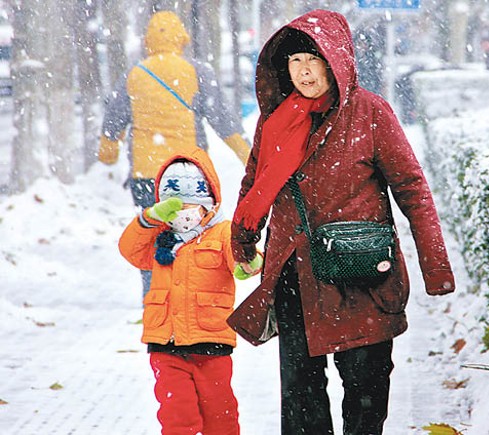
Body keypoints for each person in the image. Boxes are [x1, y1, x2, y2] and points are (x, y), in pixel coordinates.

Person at [228, 9, 456, 435]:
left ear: (337, 60)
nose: (304, 70)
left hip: (360, 273)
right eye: (294, 61)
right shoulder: (276, 120)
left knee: (366, 389)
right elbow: (254, 181)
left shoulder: (370, 112)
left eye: (314, 59)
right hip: (295, 274)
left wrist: (436, 267)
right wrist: (242, 236)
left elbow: (412, 189)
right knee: (300, 395)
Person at [98, 10, 251, 299]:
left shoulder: (134, 74)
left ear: (147, 41)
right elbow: (223, 119)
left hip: (146, 174)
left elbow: (113, 121)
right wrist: (247, 155)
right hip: (189, 171)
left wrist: (108, 150)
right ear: (183, 38)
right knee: (194, 233)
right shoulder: (196, 71)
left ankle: (155, 295)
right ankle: (191, 292)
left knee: (152, 234)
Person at [118, 146, 243, 435]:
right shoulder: (159, 238)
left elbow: (242, 258)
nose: (184, 215)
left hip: (211, 344)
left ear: (209, 204)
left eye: (192, 208)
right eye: (177, 208)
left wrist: (247, 263)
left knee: (221, 417)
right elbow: (129, 250)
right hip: (167, 345)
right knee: (178, 418)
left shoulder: (222, 233)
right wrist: (150, 217)